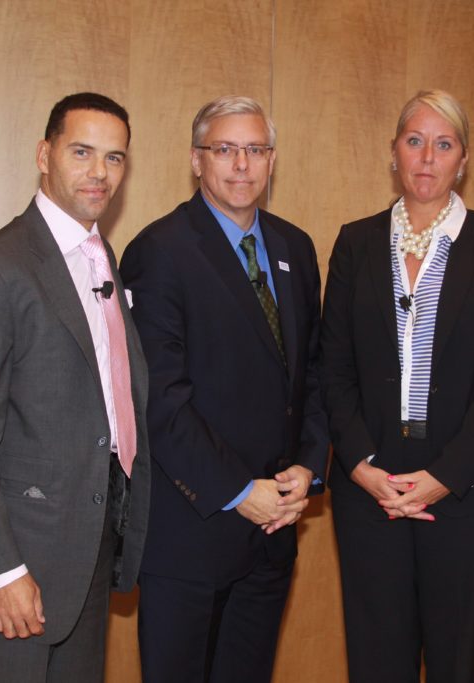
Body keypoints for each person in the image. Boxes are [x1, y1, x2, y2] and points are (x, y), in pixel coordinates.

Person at [0, 92, 151, 682]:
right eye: (82, 152)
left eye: (114, 158)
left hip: (86, 553)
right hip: (17, 564)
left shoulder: (99, 254)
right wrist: (0, 573)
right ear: (44, 154)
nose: (99, 173)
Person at [320, 89, 474, 682]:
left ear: (463, 160)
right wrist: (361, 464)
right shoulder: (356, 243)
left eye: (444, 144)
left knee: (455, 664)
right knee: (376, 662)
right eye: (415, 141)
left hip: (468, 493)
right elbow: (332, 366)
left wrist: (443, 477)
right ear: (394, 152)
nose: (427, 158)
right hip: (371, 490)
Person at [119, 95, 329, 683]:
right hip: (193, 530)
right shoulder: (159, 251)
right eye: (225, 149)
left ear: (271, 160)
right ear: (196, 159)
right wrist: (239, 490)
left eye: (256, 150)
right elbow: (161, 399)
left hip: (274, 531)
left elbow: (311, 373)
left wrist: (309, 466)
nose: (242, 165)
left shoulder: (295, 247)